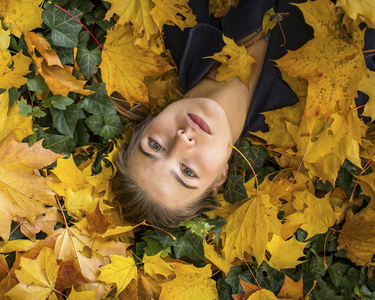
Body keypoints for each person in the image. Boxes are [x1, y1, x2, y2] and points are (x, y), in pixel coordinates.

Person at [110, 0, 375, 228]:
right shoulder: (331, 107)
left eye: (155, 145)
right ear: (221, 178)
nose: (182, 140)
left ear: (147, 124)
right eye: (188, 172)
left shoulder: (174, 16)